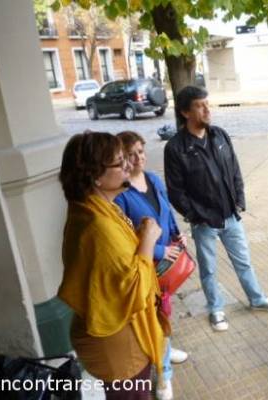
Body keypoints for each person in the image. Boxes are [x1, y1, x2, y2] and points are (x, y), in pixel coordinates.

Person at [164, 86, 268, 332]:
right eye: (200, 105)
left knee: (244, 262)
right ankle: (216, 309)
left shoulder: (219, 135)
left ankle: (257, 299)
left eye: (207, 104)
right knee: (208, 269)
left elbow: (235, 171)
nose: (207, 109)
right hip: (204, 222)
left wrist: (239, 199)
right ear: (186, 112)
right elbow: (176, 192)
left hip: (231, 215)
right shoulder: (176, 148)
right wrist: (196, 215)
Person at [57, 131, 170, 400]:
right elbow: (132, 287)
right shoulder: (97, 225)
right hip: (120, 346)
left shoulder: (93, 208)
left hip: (116, 337)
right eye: (120, 163)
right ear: (95, 175)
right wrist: (148, 239)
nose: (128, 167)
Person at [114, 131, 188, 400]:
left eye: (141, 152)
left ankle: (166, 350)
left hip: (167, 265)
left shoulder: (154, 179)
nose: (138, 159)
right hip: (146, 266)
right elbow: (126, 239)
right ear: (121, 159)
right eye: (131, 154)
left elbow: (165, 211)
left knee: (165, 312)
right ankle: (163, 374)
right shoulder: (120, 195)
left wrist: (177, 233)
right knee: (154, 318)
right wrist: (160, 249)